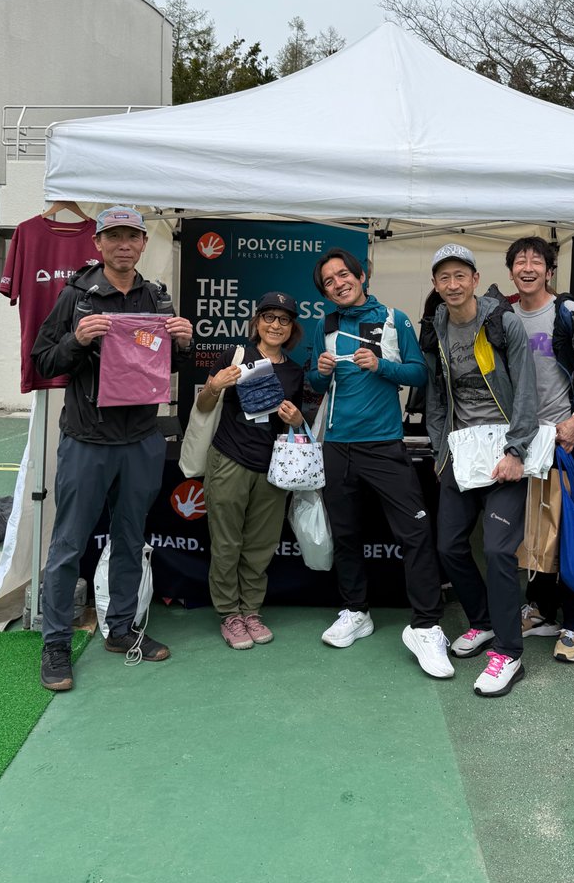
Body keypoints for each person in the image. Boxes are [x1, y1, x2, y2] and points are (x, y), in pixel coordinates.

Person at [32, 206, 194, 691]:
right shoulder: (76, 296)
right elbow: (42, 361)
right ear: (98, 245)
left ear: (144, 244)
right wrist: (77, 341)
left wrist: (184, 344)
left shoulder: (158, 298)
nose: (123, 245)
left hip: (141, 439)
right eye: (114, 237)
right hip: (87, 439)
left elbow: (164, 367)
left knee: (130, 538)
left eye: (132, 236)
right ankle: (55, 644)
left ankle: (121, 629)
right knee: (67, 545)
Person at [307, 247, 452, 679]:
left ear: (361, 274)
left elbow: (419, 374)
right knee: (346, 536)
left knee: (415, 533)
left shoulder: (395, 318)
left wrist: (383, 366)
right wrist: (321, 370)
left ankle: (426, 625)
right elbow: (315, 381)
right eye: (329, 281)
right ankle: (356, 611)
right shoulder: (325, 325)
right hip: (337, 446)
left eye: (343, 275)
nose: (338, 283)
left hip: (384, 445)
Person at [425, 243, 539, 697]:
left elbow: (526, 389)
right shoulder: (436, 324)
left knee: (496, 551)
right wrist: (439, 450)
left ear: (474, 278)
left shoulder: (501, 321)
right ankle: (484, 622)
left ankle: (509, 654)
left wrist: (516, 450)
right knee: (449, 547)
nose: (452, 285)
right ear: (435, 285)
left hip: (504, 452)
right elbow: (437, 392)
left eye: (460, 276)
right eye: (443, 278)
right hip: (459, 451)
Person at [506, 236, 574, 664]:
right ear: (510, 271)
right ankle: (541, 610)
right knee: (533, 531)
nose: (527, 268)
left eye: (536, 261)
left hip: (562, 441)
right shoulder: (504, 316)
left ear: (549, 270)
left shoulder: (570, 313)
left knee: (568, 534)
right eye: (519, 262)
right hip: (522, 442)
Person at [198, 292, 304, 650]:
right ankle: (229, 614)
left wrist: (297, 419)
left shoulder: (294, 370)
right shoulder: (235, 355)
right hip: (229, 459)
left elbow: (296, 425)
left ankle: (251, 611)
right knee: (227, 543)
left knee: (260, 546)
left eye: (284, 319)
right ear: (257, 322)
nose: (276, 325)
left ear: (292, 328)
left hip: (272, 468)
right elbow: (203, 403)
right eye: (269, 318)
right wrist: (214, 385)